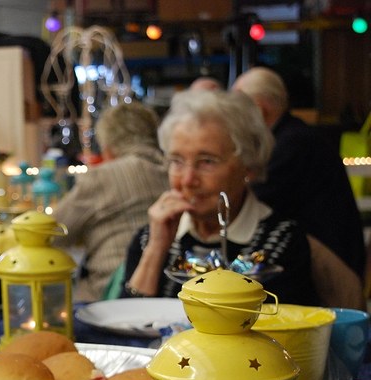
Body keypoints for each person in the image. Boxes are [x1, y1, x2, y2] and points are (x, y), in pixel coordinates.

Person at [121, 89, 319, 306]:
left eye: (207, 161)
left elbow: (280, 329)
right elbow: (125, 324)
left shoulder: (280, 241)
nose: (187, 180)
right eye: (177, 161)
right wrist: (156, 249)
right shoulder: (151, 236)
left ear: (249, 165)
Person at [232, 66, 366, 281]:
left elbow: (256, 201)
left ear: (258, 109)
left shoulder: (294, 143)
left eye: (237, 112)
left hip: (331, 267)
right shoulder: (292, 135)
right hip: (325, 255)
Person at [54, 102, 168, 302]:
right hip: (169, 287)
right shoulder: (177, 170)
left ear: (108, 145)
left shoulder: (101, 177)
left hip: (111, 290)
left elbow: (54, 233)